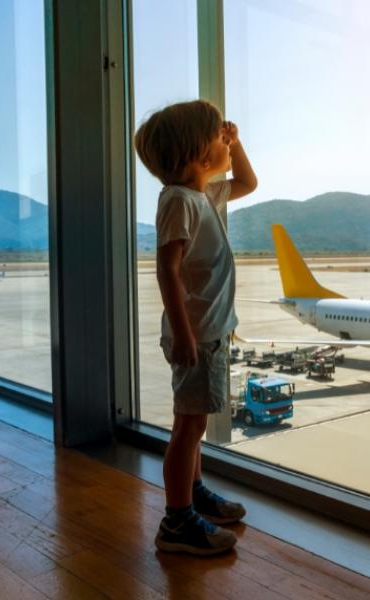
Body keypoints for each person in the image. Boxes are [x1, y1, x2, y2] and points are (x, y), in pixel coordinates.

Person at [134, 100, 258, 555]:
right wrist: (185, 334)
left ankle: (195, 491)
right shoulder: (179, 200)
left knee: (196, 422)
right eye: (217, 137)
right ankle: (177, 521)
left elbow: (248, 181)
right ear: (195, 156)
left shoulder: (203, 194)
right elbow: (167, 269)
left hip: (209, 331)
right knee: (189, 426)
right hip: (198, 335)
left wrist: (237, 143)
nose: (224, 140)